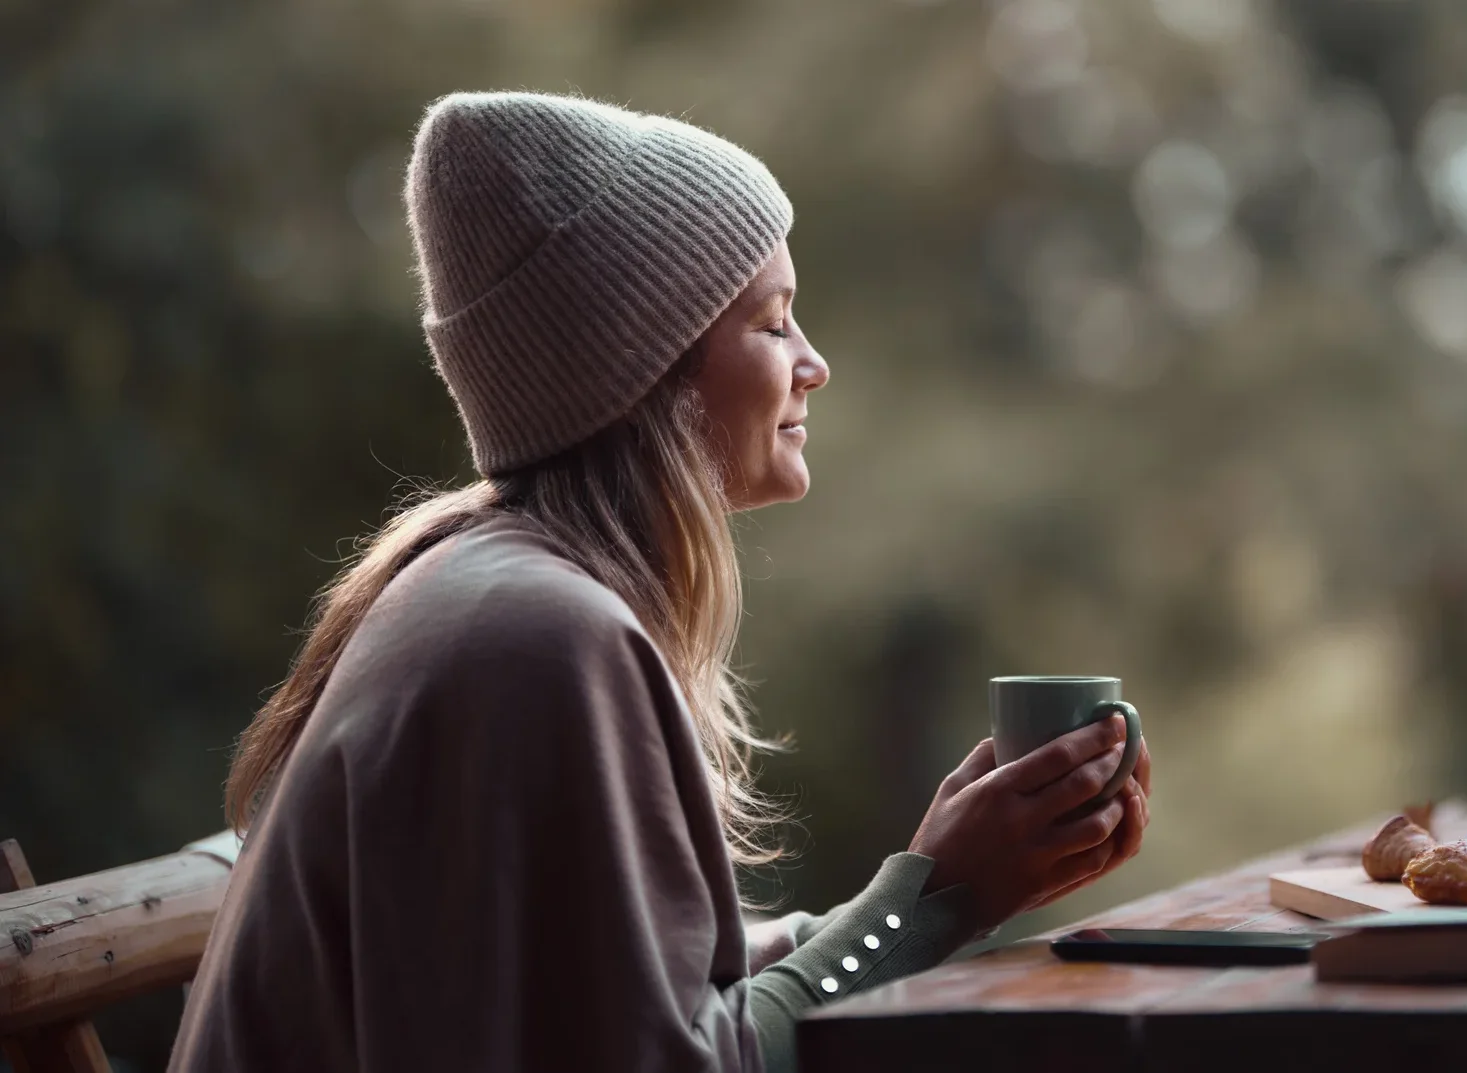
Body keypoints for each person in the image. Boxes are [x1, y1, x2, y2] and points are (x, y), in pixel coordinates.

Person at [167, 92, 1151, 1073]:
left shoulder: (489, 591)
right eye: (771, 324)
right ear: (650, 372)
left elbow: (645, 1004)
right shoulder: (536, 637)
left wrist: (946, 878)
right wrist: (938, 897)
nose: (814, 363)